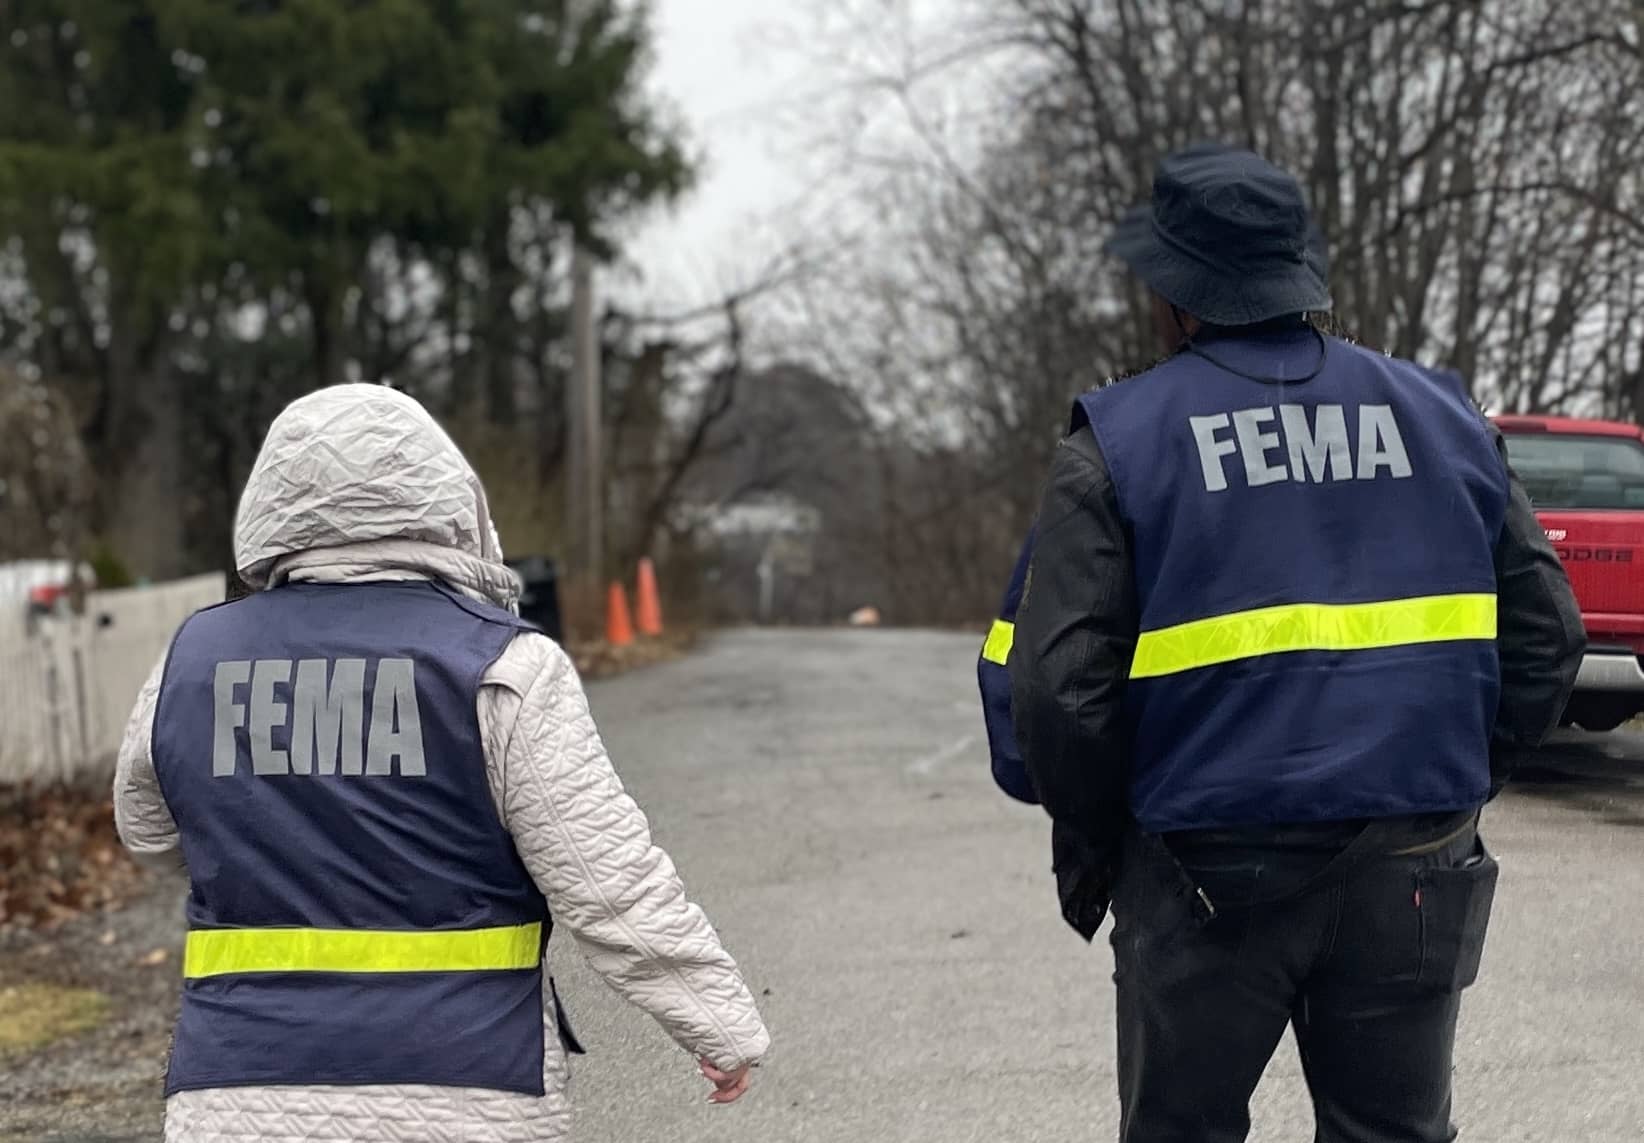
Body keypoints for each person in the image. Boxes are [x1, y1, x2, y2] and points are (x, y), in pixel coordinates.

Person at [1008, 143, 1584, 1142]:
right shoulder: (1448, 422)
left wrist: (1120, 841)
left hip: (1199, 872)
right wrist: (1447, 788)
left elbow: (1061, 692)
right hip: (1414, 862)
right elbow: (1548, 638)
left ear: (1177, 293)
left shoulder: (1117, 443)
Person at [114, 384, 769, 1143]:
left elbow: (149, 829)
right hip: (468, 1087)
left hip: (238, 1090)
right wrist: (719, 1022)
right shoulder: (502, 663)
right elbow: (609, 882)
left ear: (272, 505)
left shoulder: (191, 659)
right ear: (449, 500)